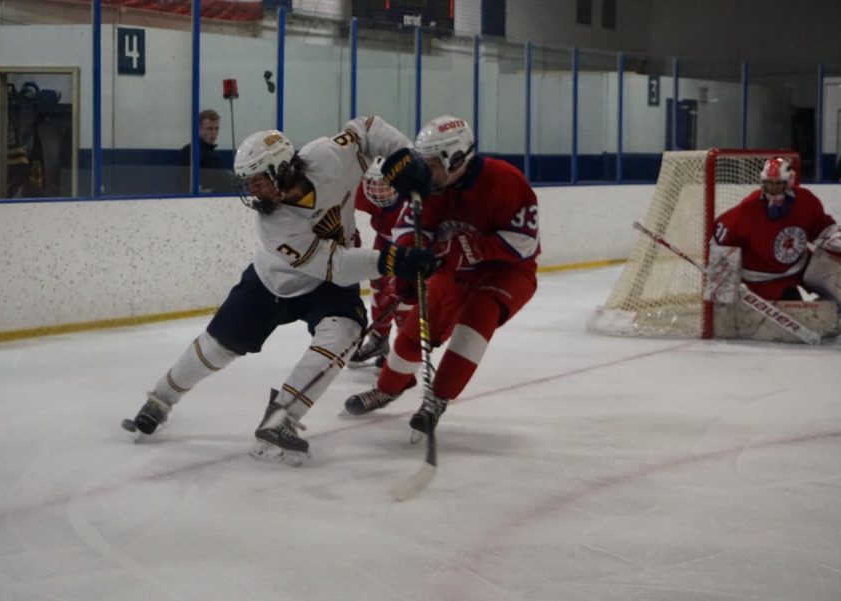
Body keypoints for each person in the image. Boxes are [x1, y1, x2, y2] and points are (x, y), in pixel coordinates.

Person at [126, 116, 438, 464]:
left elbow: (366, 128)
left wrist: (402, 154)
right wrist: (394, 259)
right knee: (217, 347)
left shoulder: (327, 157)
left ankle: (282, 416)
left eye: (257, 181)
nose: (252, 192)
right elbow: (334, 262)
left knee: (346, 333)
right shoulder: (274, 224)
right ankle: (160, 399)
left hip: (330, 286)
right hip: (274, 282)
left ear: (280, 169)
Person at [343, 115, 541, 436]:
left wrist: (470, 249)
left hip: (507, 273)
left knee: (476, 321)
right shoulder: (429, 185)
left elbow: (524, 242)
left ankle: (437, 398)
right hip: (454, 270)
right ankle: (389, 387)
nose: (426, 171)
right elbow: (409, 227)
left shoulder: (505, 180)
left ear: (457, 158)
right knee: (416, 326)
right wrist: (410, 263)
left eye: (433, 164)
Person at [711, 156, 841, 301]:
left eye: (778, 184)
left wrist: (839, 241)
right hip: (763, 279)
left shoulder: (805, 200)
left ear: (790, 181)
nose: (773, 190)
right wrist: (724, 282)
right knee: (796, 310)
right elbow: (721, 239)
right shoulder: (748, 209)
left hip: (800, 267)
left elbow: (821, 228)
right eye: (769, 184)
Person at [348, 157, 411, 368]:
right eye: (373, 184)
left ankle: (406, 352)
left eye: (384, 184)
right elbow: (340, 201)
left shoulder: (413, 197)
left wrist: (396, 282)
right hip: (383, 242)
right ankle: (379, 340)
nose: (377, 190)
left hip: (410, 248)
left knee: (402, 300)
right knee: (378, 289)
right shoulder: (367, 192)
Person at [179, 109, 233, 193]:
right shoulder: (191, 153)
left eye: (216, 128)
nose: (214, 133)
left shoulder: (211, 155)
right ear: (199, 129)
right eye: (209, 129)